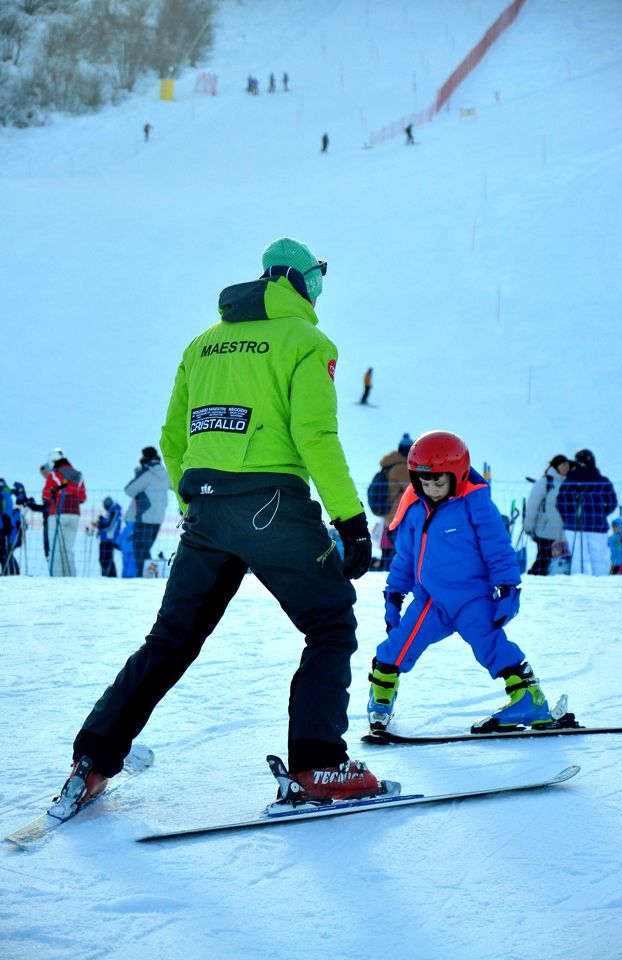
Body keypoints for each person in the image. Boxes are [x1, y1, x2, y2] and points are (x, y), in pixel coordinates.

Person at [63, 236, 388, 809]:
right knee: (331, 624)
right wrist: (351, 521)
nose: (319, 288)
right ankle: (320, 765)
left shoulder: (202, 345)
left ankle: (93, 757)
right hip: (273, 506)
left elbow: (171, 437)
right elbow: (315, 435)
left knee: (170, 640)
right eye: (316, 277)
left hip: (208, 508)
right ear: (293, 279)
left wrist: (198, 506)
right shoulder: (307, 341)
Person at [367, 430, 560, 734]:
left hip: (472, 599)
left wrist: (509, 588)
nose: (431, 488)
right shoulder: (414, 509)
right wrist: (394, 597)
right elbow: (404, 559)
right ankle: (380, 696)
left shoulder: (475, 504)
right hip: (430, 601)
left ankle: (529, 699)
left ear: (456, 475)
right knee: (398, 645)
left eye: (439, 482)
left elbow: (498, 548)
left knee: (491, 645)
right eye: (424, 481)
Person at [556, 449, 617, 575]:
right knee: (599, 559)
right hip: (598, 525)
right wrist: (602, 513)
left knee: (577, 558)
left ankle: (578, 587)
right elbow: (612, 502)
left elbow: (561, 502)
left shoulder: (570, 480)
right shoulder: (603, 481)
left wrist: (568, 517)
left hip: (574, 525)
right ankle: (602, 587)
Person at [123, 447, 170, 577]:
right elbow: (175, 487)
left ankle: (142, 577)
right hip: (159, 517)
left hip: (144, 516)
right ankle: (148, 576)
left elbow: (129, 490)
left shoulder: (147, 473)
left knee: (139, 550)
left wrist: (139, 472)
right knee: (146, 549)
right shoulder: (166, 474)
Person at [523, 455, 571, 575]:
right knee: (543, 560)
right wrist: (528, 526)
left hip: (562, 532)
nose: (566, 467)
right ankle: (532, 580)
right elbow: (532, 505)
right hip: (545, 530)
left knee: (558, 562)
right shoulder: (545, 482)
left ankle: (549, 587)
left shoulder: (567, 483)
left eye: (567, 465)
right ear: (556, 466)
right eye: (563, 465)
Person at [42, 448, 86, 577]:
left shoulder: (54, 475)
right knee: (68, 549)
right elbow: (83, 497)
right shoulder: (79, 475)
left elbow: (46, 495)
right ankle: (71, 577)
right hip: (74, 514)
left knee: (55, 549)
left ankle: (56, 578)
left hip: (57, 513)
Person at [378, 433, 413, 570]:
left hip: (390, 516)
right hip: (399, 514)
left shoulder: (389, 466)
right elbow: (413, 490)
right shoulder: (402, 468)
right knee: (401, 550)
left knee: (394, 549)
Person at [94, 497, 122, 577]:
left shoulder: (114, 511)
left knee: (105, 559)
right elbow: (109, 522)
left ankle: (109, 577)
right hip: (106, 539)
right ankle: (108, 576)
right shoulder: (112, 511)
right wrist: (102, 520)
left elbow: (110, 525)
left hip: (109, 539)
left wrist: (100, 525)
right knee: (105, 559)